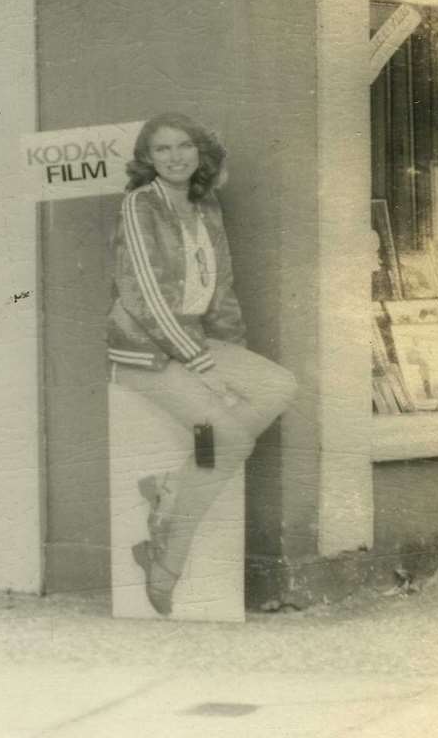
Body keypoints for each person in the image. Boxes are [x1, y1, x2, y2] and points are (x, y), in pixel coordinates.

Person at [108, 113, 297, 616]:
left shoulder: (205, 204)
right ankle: (165, 561)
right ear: (148, 158)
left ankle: (173, 490)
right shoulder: (139, 205)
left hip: (199, 338)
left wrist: (227, 353)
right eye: (163, 149)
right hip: (144, 350)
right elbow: (145, 292)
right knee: (230, 439)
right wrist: (201, 363)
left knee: (280, 386)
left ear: (198, 151)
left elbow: (222, 290)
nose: (175, 157)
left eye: (183, 146)